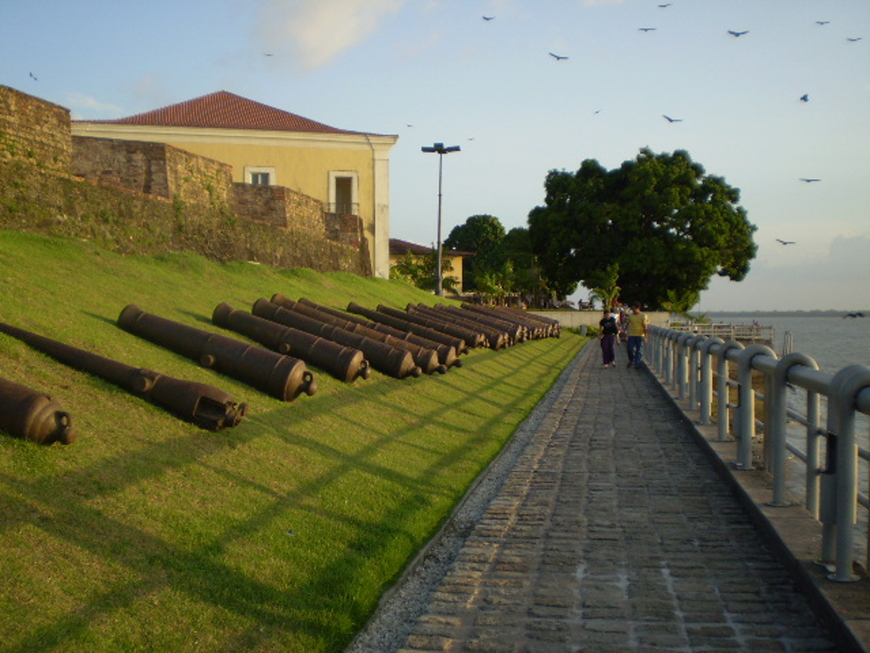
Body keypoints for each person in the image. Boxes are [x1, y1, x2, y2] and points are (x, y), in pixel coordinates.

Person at [625, 303, 649, 369]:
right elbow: (628, 323)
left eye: (634, 308)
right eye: (632, 308)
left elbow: (644, 326)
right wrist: (625, 331)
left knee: (639, 350)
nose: (633, 310)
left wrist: (646, 336)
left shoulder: (643, 316)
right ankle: (631, 359)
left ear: (638, 308)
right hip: (632, 334)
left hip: (640, 335)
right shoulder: (630, 316)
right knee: (629, 348)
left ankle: (637, 363)